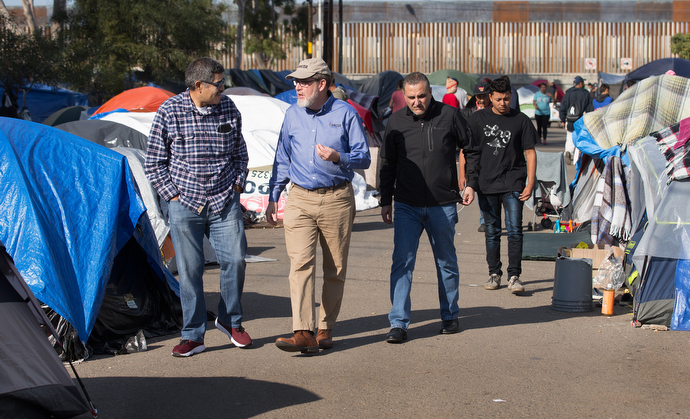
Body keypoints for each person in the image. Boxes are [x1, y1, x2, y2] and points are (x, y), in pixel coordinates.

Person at [145, 57, 252, 357]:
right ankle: (193, 335)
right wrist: (173, 196)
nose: (223, 89)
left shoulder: (228, 108)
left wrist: (237, 185)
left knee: (236, 260)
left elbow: (240, 154)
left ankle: (231, 322)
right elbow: (154, 163)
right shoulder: (169, 111)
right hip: (185, 204)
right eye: (218, 84)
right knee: (190, 271)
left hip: (224, 202)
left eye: (223, 83)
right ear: (198, 85)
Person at [265, 58, 371, 354]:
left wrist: (339, 157)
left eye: (304, 81)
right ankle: (302, 331)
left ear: (321, 84)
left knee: (334, 268)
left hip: (336, 198)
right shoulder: (291, 115)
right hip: (299, 198)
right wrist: (274, 195)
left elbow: (363, 157)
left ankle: (324, 329)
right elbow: (282, 157)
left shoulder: (345, 113)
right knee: (300, 264)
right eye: (295, 81)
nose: (297, 87)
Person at [379, 72, 478, 343]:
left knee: (446, 262)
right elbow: (387, 162)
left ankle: (449, 315)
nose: (416, 101)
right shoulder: (396, 121)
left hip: (442, 205)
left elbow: (472, 148)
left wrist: (471, 183)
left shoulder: (449, 115)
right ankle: (398, 323)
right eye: (411, 97)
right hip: (407, 205)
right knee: (402, 263)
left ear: (430, 93)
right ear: (404, 95)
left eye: (421, 96)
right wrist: (385, 199)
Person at [466, 78, 537, 294]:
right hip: (486, 183)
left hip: (513, 182)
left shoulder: (521, 120)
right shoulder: (477, 119)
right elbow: (467, 150)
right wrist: (466, 179)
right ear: (490, 98)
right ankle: (494, 273)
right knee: (492, 232)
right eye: (498, 99)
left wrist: (531, 182)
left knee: (515, 230)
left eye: (507, 98)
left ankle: (514, 276)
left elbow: (530, 152)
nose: (503, 103)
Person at [461, 80, 492, 232]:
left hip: (493, 157)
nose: (481, 99)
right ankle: (484, 219)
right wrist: (462, 173)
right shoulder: (468, 113)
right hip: (476, 158)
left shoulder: (496, 112)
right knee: (480, 190)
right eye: (478, 96)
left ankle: (492, 218)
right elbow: (463, 145)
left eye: (484, 96)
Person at [559, 75, 593, 165]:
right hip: (580, 121)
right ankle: (577, 158)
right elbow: (589, 109)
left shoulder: (568, 93)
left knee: (569, 138)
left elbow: (563, 107)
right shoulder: (585, 94)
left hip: (569, 120)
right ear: (581, 83)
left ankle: (568, 151)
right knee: (579, 138)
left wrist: (562, 119)